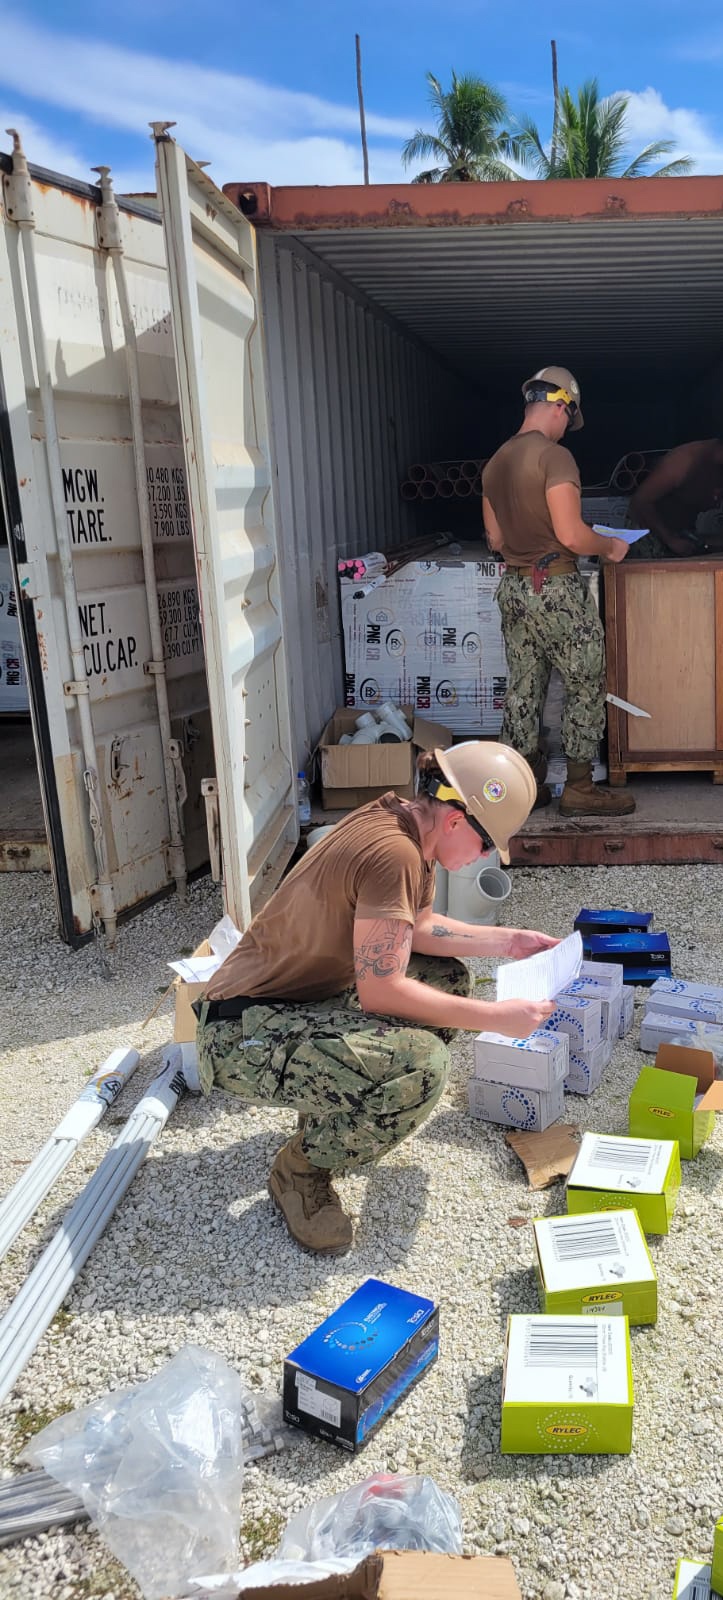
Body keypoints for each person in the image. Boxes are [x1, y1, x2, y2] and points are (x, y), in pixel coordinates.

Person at [195, 742, 556, 1256]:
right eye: (484, 846)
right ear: (456, 820)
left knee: (447, 979)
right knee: (422, 1067)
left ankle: (330, 1100)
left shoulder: (408, 824)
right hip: (239, 1031)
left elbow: (421, 928)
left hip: (293, 1002)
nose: (483, 858)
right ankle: (301, 1170)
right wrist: (496, 1018)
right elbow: (382, 987)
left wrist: (509, 941)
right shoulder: (395, 853)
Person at [482, 365, 635, 818]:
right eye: (570, 415)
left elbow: (494, 539)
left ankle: (523, 785)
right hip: (557, 588)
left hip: (514, 585)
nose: (568, 425)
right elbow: (571, 535)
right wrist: (611, 546)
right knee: (585, 682)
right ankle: (580, 788)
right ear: (560, 404)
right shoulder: (554, 457)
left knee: (524, 686)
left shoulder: (496, 462)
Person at [629, 438, 723, 559]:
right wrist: (670, 539)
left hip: (684, 534)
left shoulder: (717, 466)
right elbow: (640, 501)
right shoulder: (683, 461)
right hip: (650, 538)